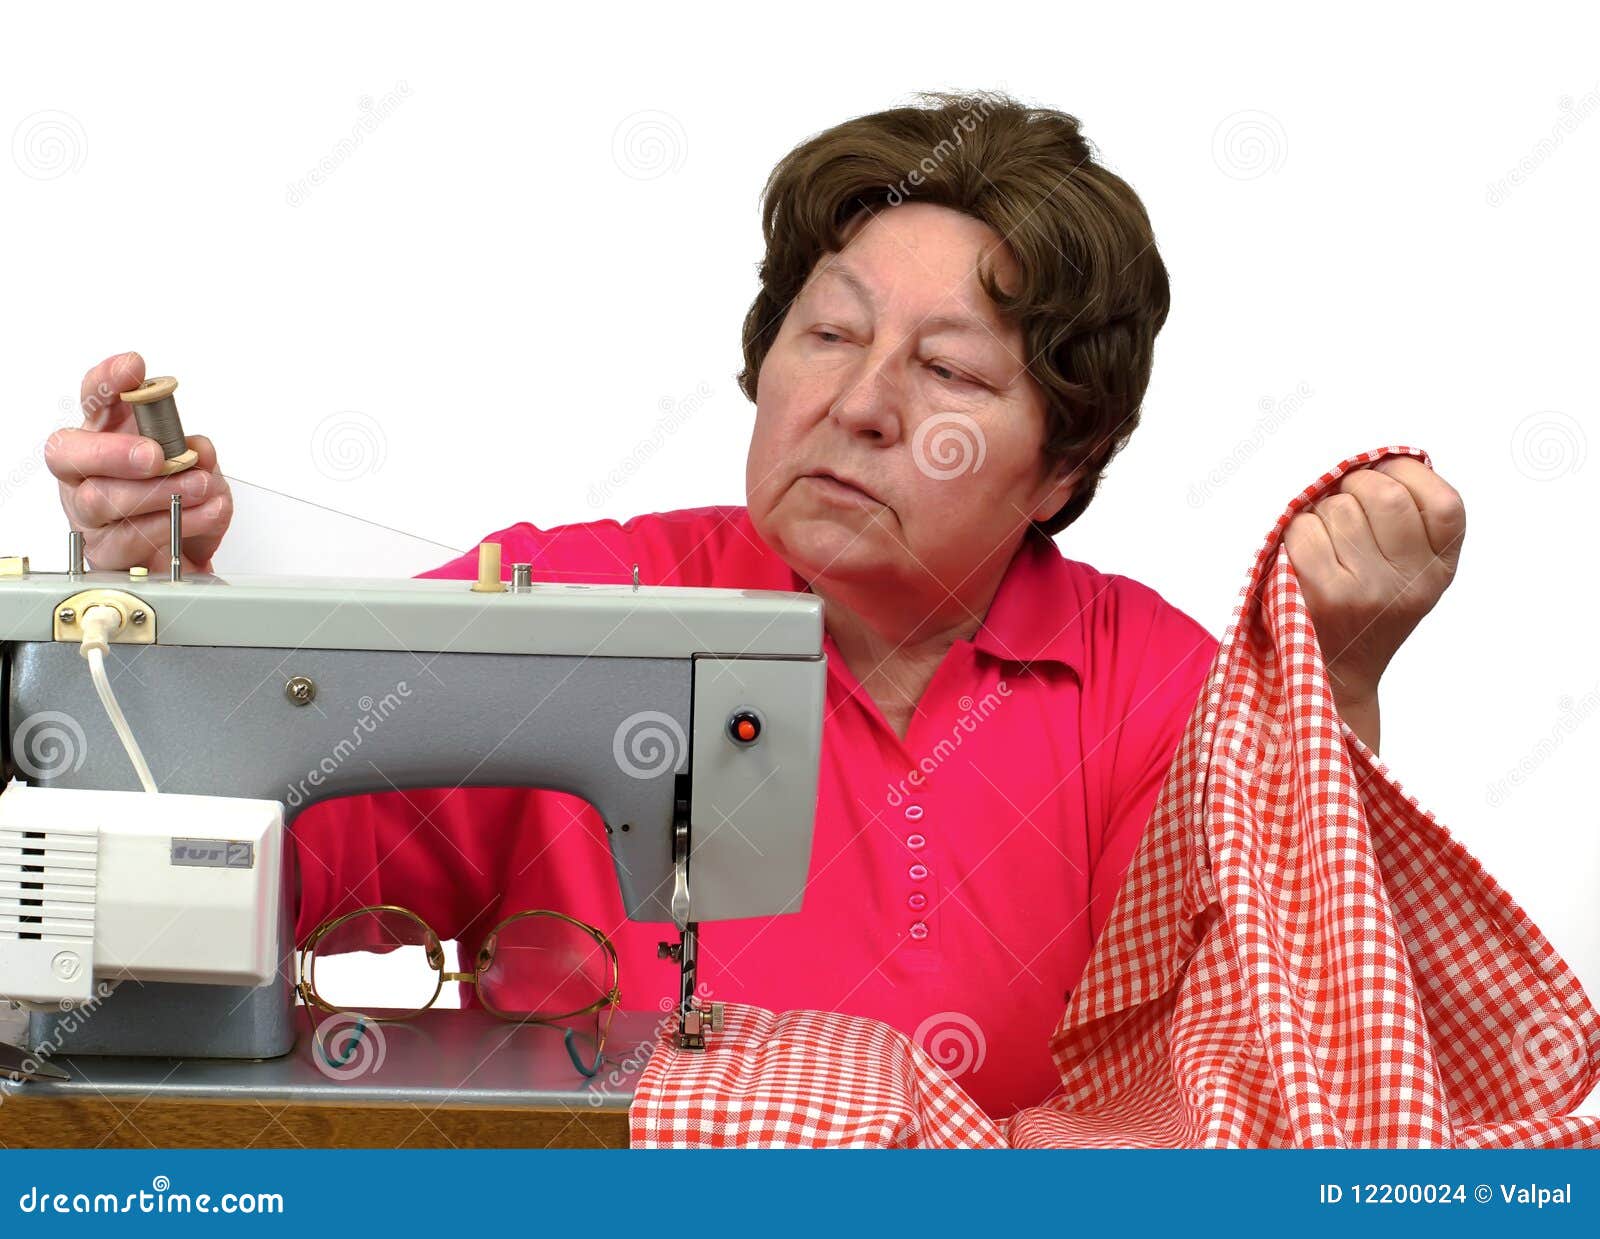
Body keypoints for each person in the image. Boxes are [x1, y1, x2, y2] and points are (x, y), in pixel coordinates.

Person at [44, 91, 1465, 1119]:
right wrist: (165, 628)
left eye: (952, 376)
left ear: (1065, 463)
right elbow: (283, 860)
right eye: (830, 333)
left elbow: (1285, 1033)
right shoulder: (574, 601)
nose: (855, 404)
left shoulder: (1149, 686)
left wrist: (1337, 680)